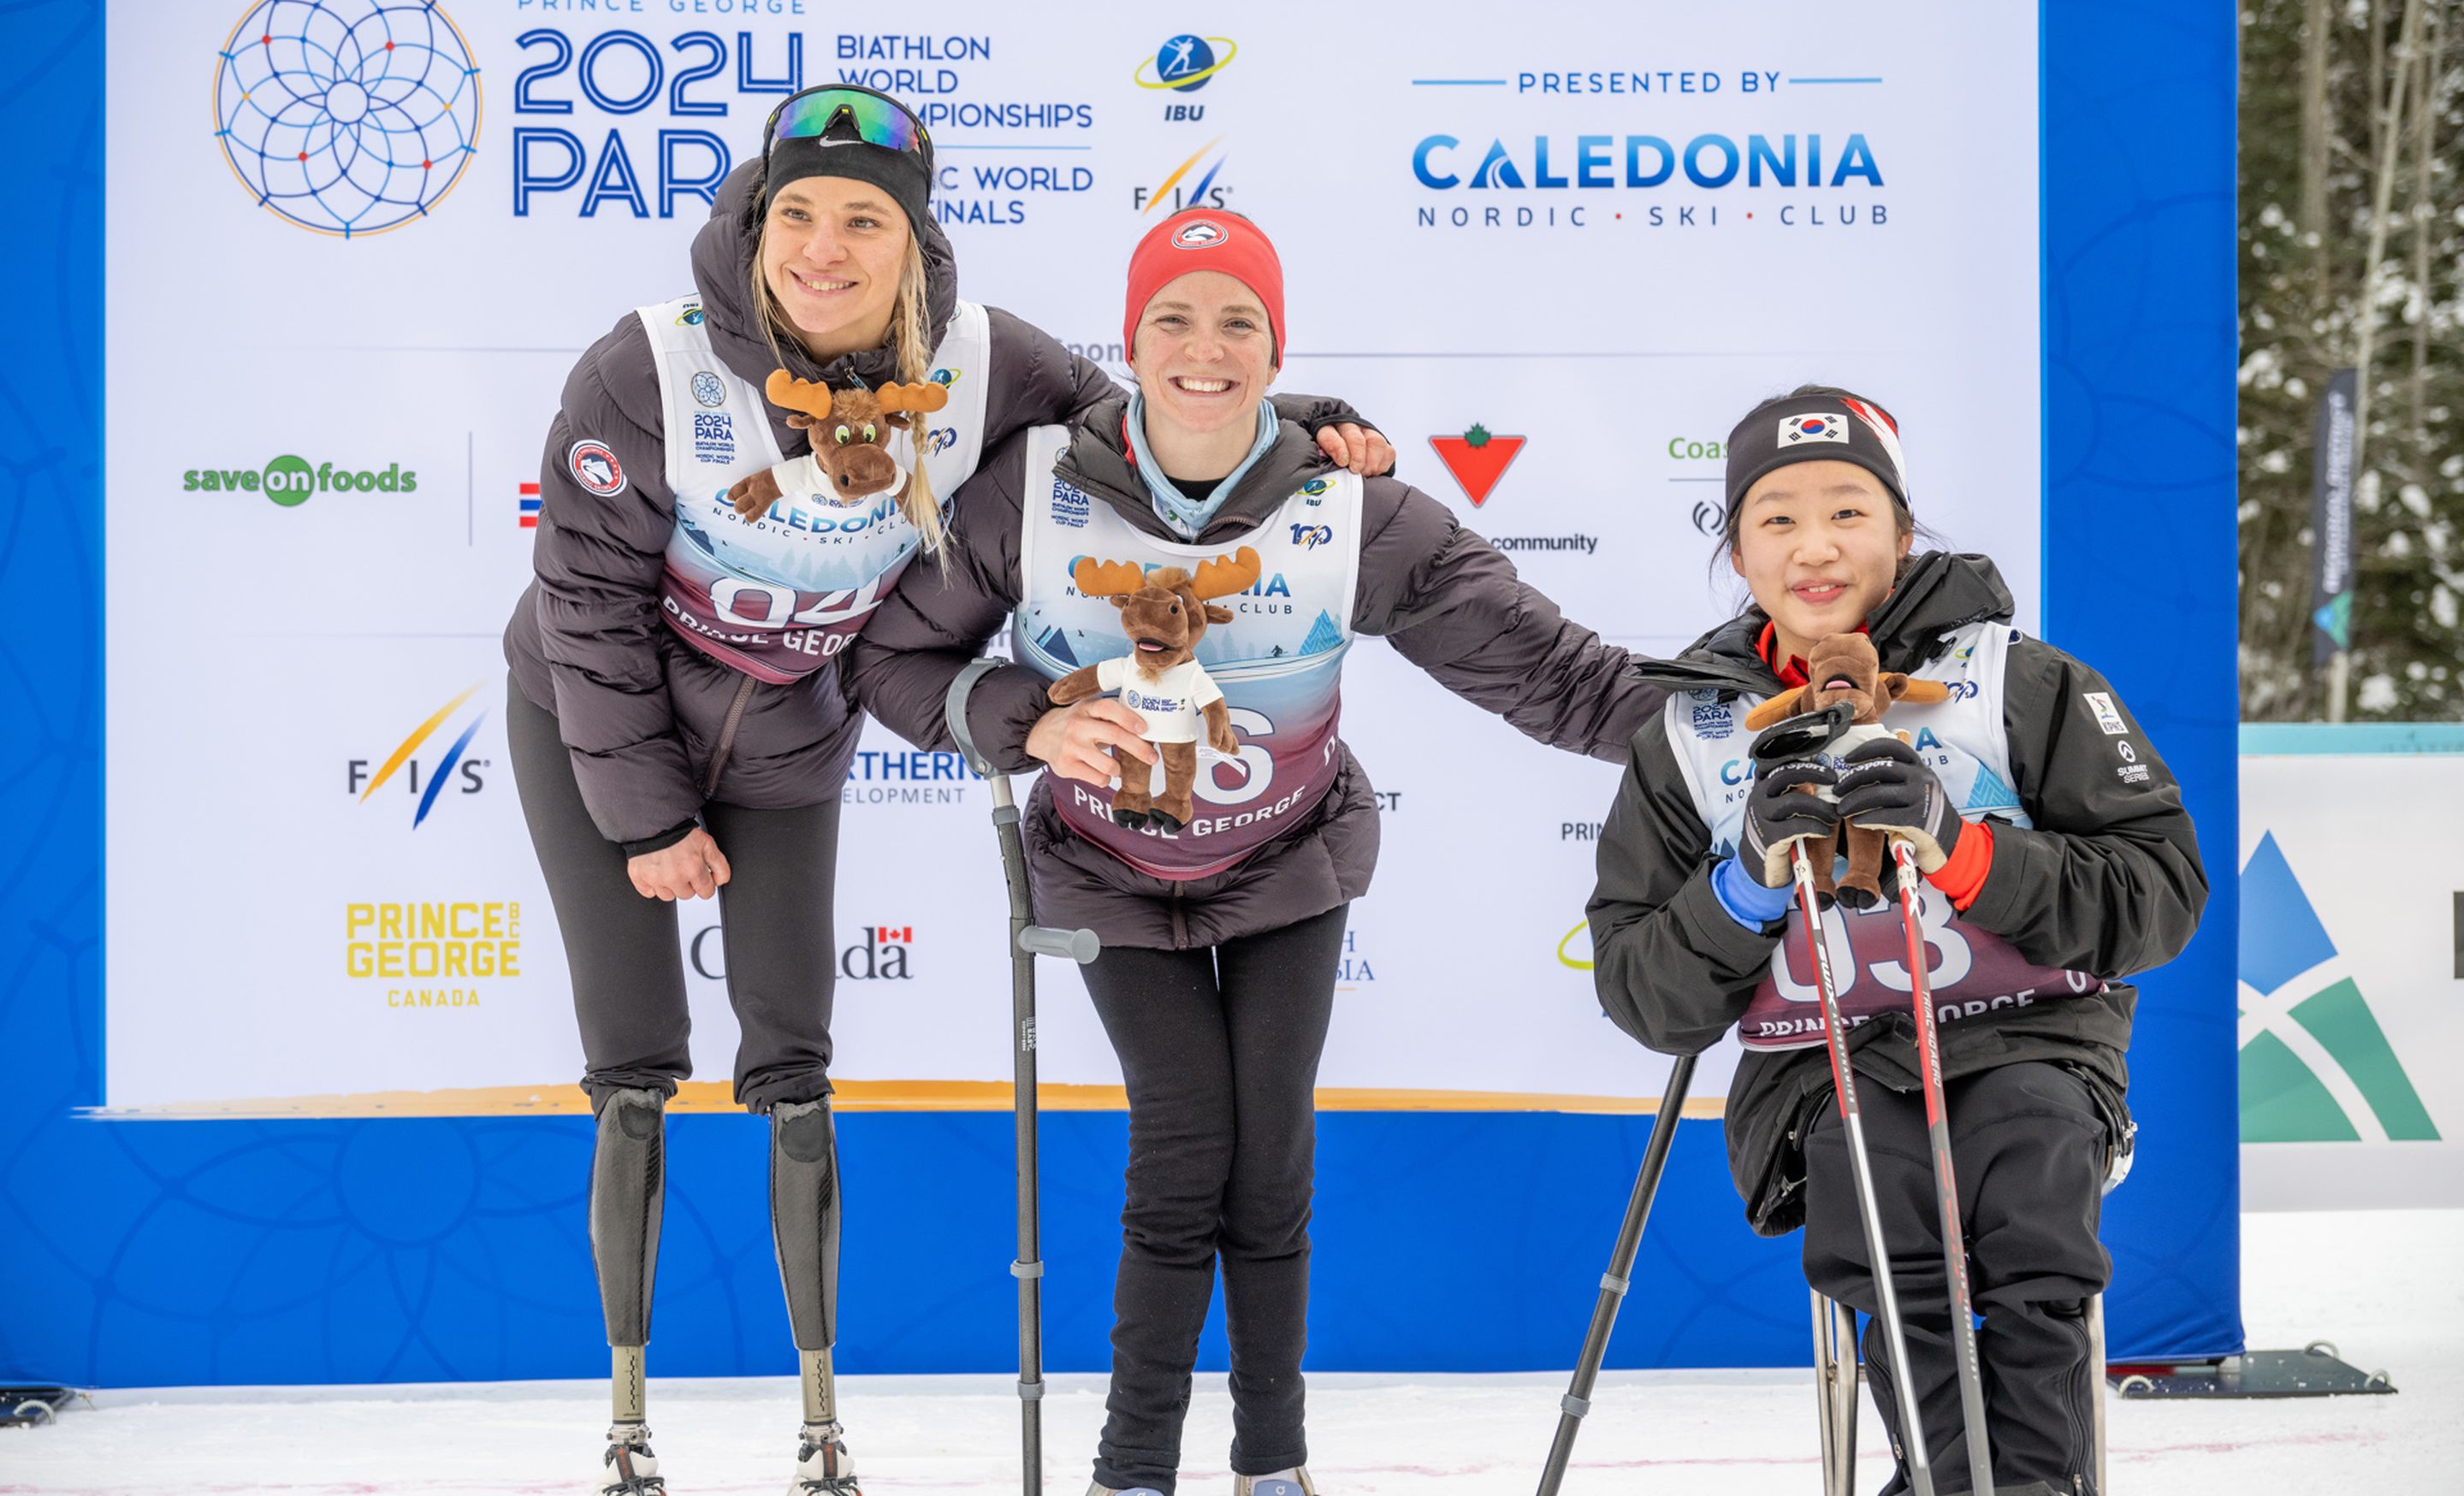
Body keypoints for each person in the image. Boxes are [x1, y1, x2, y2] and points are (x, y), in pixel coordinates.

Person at [501, 86, 1389, 1496]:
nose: (825, 247)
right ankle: (626, 1416)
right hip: (593, 734)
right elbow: (588, 608)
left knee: (791, 1056)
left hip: (791, 738)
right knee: (637, 1059)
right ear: (754, 222)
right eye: (797, 213)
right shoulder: (648, 370)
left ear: (915, 242)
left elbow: (1158, 432)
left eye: (865, 219)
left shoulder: (988, 363)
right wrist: (650, 819)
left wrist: (1316, 424)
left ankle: (817, 1421)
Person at [848, 208, 1663, 1496]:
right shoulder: (1034, 486)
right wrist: (1032, 721)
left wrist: (1731, 734)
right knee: (1183, 1153)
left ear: (1278, 350)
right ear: (1130, 337)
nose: (1204, 348)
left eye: (1240, 322)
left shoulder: (1354, 507)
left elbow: (1547, 671)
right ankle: (1131, 1470)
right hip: (1111, 875)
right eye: (1174, 316)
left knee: (1268, 1160)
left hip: (1287, 867)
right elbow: (895, 655)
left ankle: (1271, 1465)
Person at [1586, 387, 2206, 1496]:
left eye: (1848, 512)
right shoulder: (1692, 733)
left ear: (1904, 533)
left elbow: (2161, 891)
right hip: (1825, 1075)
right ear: (1736, 547)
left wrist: (1964, 852)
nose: (1815, 546)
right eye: (1776, 518)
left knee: (2025, 1168)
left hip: (2033, 1041)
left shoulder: (2013, 678)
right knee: (1886, 1187)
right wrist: (1741, 883)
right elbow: (1646, 995)